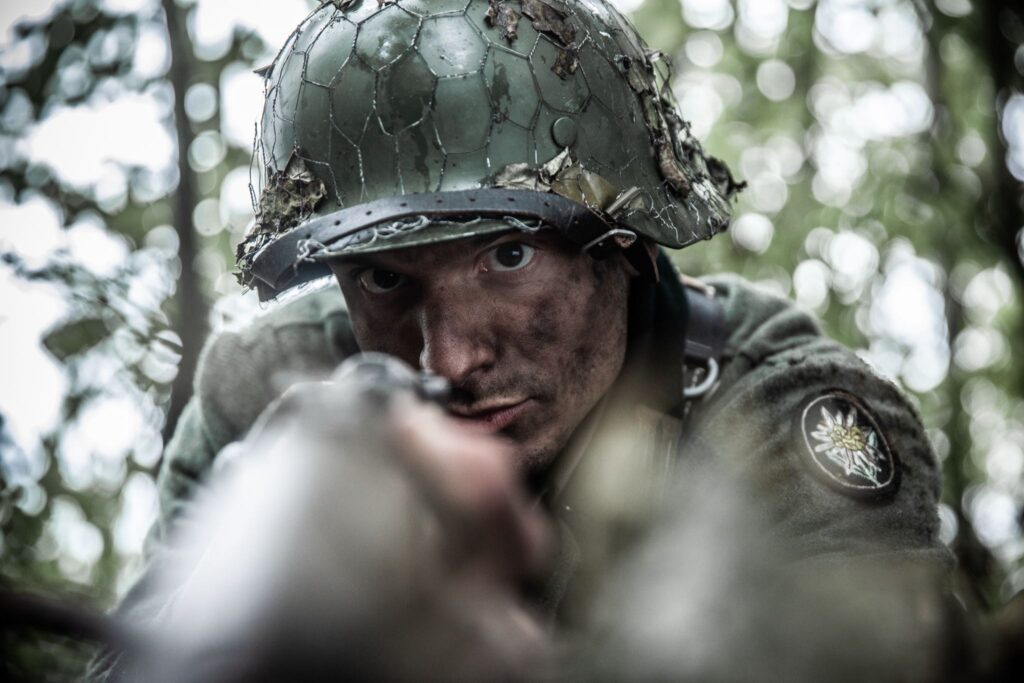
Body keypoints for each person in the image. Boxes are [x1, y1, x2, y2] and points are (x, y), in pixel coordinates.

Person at [90, 0, 959, 679]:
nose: (449, 359)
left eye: (507, 255)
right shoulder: (265, 392)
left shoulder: (775, 422)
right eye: (386, 279)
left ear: (625, 244)